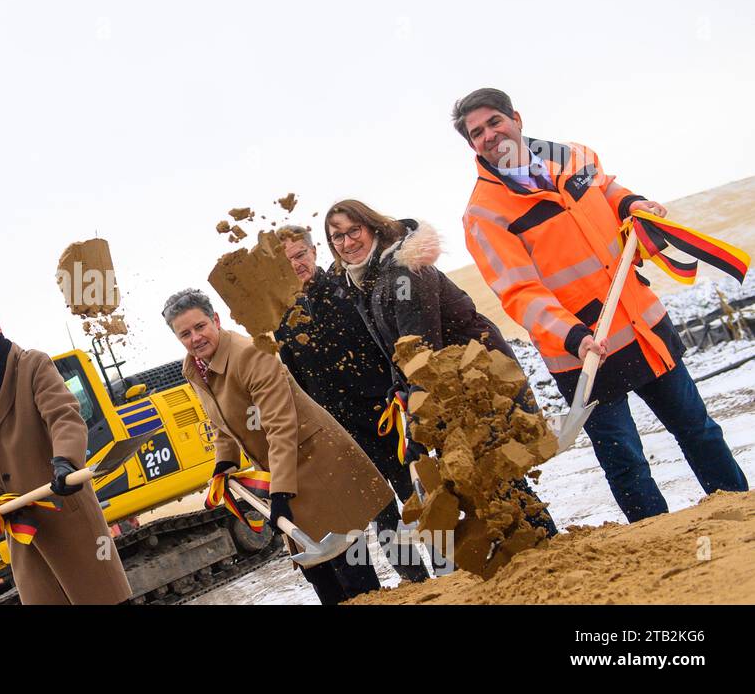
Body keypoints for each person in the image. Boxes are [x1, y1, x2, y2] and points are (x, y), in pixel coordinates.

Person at [452, 87, 749, 522]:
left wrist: (633, 204)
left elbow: (607, 190)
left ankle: (739, 515)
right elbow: (519, 292)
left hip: (641, 322)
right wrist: (573, 336)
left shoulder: (574, 156)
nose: (489, 135)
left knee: (698, 429)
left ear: (515, 117)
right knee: (625, 462)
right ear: (472, 145)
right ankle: (656, 538)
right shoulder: (484, 215)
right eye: (477, 133)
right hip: (580, 353)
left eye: (494, 122)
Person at [323, 198, 557, 537]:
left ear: (371, 227)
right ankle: (519, 550)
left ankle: (544, 543)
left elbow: (422, 349)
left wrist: (419, 415)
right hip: (444, 385)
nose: (347, 242)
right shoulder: (367, 282)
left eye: (353, 230)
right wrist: (398, 388)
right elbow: (396, 347)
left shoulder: (404, 273)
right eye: (337, 237)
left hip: (475, 376)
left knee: (493, 471)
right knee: (472, 478)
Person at [162, 288, 393, 604]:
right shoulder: (195, 369)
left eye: (200, 326)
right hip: (282, 471)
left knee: (350, 570)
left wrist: (280, 492)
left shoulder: (250, 355)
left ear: (215, 319)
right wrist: (224, 462)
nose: (195, 338)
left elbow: (281, 427)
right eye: (185, 334)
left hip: (316, 462)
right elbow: (222, 425)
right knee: (319, 575)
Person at [0, 293, 132, 604]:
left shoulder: (32, 364)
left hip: (65, 510)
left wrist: (65, 461)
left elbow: (64, 416)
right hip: (23, 532)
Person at [275, 225, 430, 584]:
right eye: (288, 261)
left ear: (315, 251)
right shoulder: (283, 320)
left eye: (301, 254)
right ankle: (418, 581)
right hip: (343, 437)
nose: (297, 264)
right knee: (383, 514)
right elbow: (297, 383)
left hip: (387, 417)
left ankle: (451, 568)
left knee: (420, 495)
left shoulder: (348, 288)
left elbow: (384, 341)